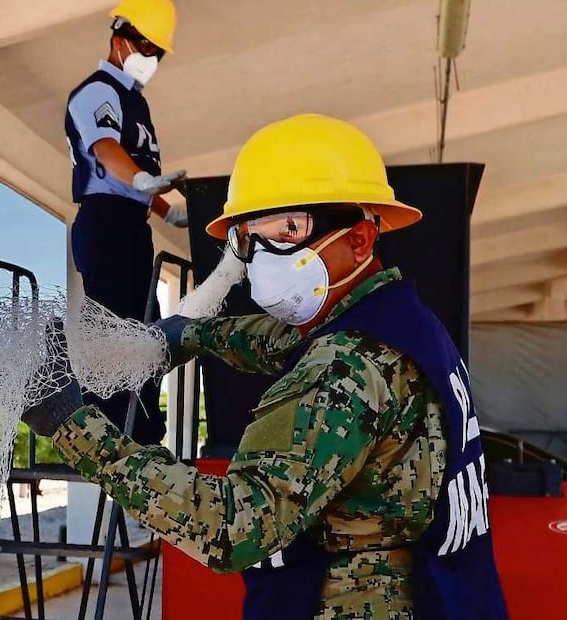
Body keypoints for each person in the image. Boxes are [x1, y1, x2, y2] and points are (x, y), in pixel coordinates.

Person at [25, 114, 508, 618]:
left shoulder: (345, 367)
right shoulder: (409, 327)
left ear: (360, 239)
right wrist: (188, 335)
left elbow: (232, 528)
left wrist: (73, 426)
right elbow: (281, 342)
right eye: (249, 236)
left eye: (289, 228)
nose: (262, 255)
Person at [65, 0, 187, 444]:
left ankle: (141, 424)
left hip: (131, 223)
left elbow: (135, 177)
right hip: (105, 221)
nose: (150, 58)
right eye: (145, 46)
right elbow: (106, 151)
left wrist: (168, 210)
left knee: (140, 325)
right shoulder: (98, 91)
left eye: (158, 52)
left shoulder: (136, 102)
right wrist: (144, 180)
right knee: (115, 325)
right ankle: (110, 427)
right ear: (119, 38)